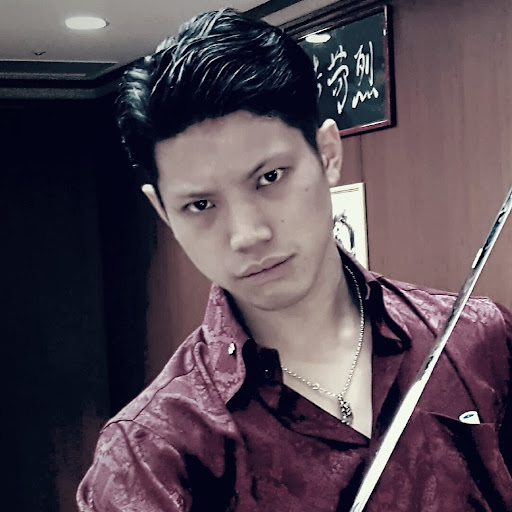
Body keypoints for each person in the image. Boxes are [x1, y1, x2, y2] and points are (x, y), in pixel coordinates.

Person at [77, 8, 512, 511]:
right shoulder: (150, 456)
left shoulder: (476, 339)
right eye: (200, 205)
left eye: (270, 178)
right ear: (163, 212)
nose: (247, 235)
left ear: (327, 154)